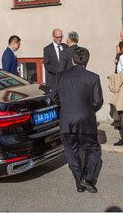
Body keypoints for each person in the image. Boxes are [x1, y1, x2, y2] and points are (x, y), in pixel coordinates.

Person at [51, 47, 103, 193]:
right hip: (86, 119)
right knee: (92, 149)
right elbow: (98, 101)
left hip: (67, 119)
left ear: (72, 60)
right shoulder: (93, 77)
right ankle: (87, 178)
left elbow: (53, 97)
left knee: (71, 152)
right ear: (87, 61)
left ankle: (79, 183)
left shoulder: (60, 76)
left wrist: (67, 106)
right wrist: (87, 110)